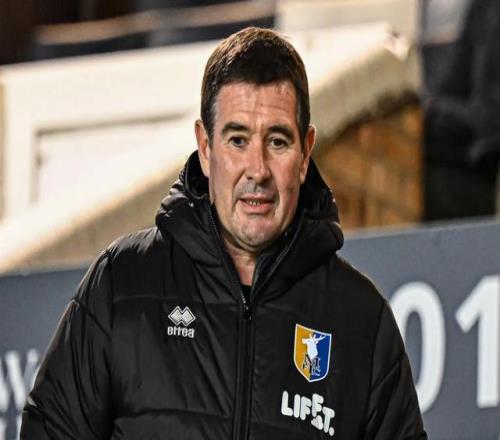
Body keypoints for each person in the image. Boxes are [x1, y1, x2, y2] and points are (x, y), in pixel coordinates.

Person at [21, 27, 426, 439]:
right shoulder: (122, 282)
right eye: (237, 140)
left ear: (305, 154)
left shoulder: (362, 321)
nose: (258, 169)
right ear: (205, 147)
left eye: (278, 142)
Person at [423, 0, 500, 220]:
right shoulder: (484, 7)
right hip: (470, 143)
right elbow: (448, 86)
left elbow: (491, 118)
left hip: (483, 156)